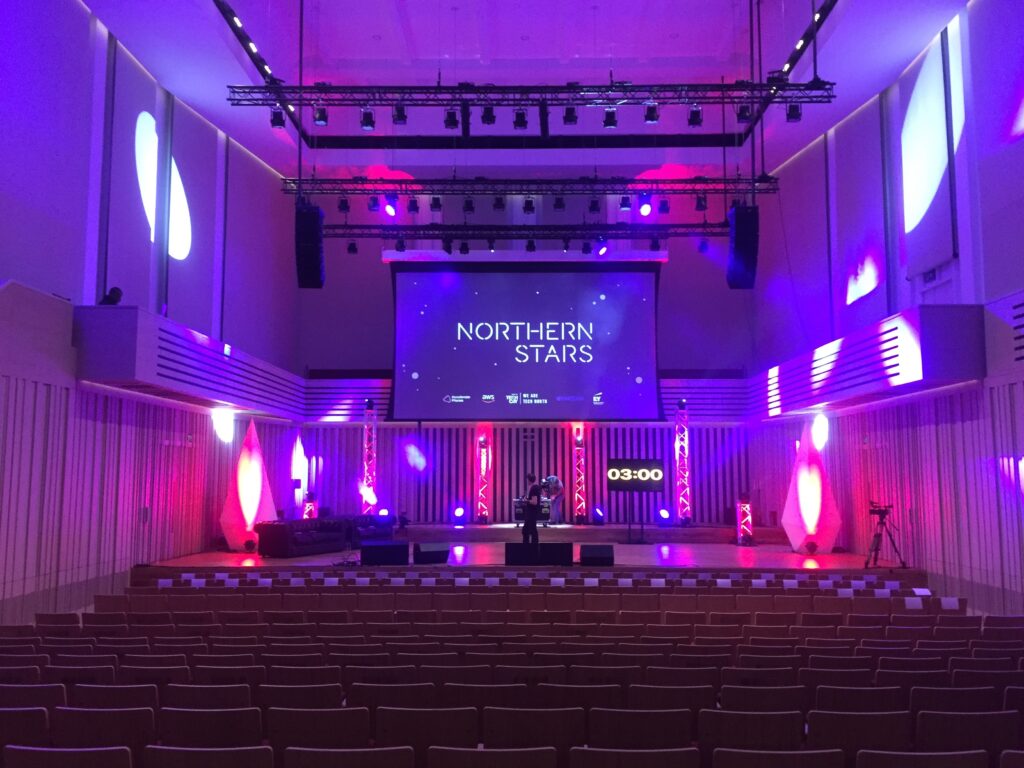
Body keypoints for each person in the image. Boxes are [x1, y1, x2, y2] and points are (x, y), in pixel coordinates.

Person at [522, 472, 541, 549]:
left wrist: (526, 500)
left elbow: (534, 502)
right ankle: (532, 547)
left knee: (530, 530)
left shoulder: (534, 488)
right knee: (528, 530)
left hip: (531, 513)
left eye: (527, 479)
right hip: (532, 513)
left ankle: (530, 548)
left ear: (529, 480)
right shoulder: (535, 488)